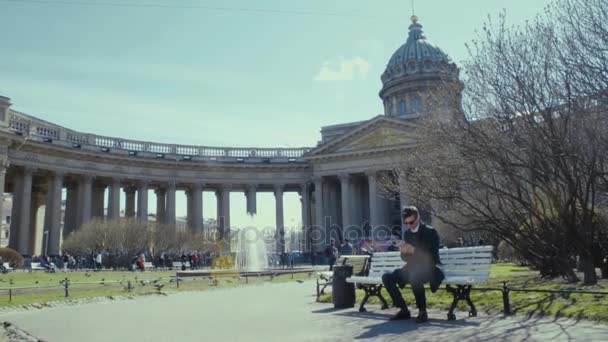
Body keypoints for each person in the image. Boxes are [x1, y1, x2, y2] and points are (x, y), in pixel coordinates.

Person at [382, 206, 444, 323]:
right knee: (387, 277)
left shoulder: (430, 232)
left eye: (411, 222)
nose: (409, 225)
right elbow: (406, 259)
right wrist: (403, 251)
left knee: (415, 276)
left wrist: (414, 250)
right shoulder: (407, 234)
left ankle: (422, 311)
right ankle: (403, 309)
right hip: (412, 268)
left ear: (418, 217)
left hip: (429, 269)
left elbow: (433, 257)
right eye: (406, 223)